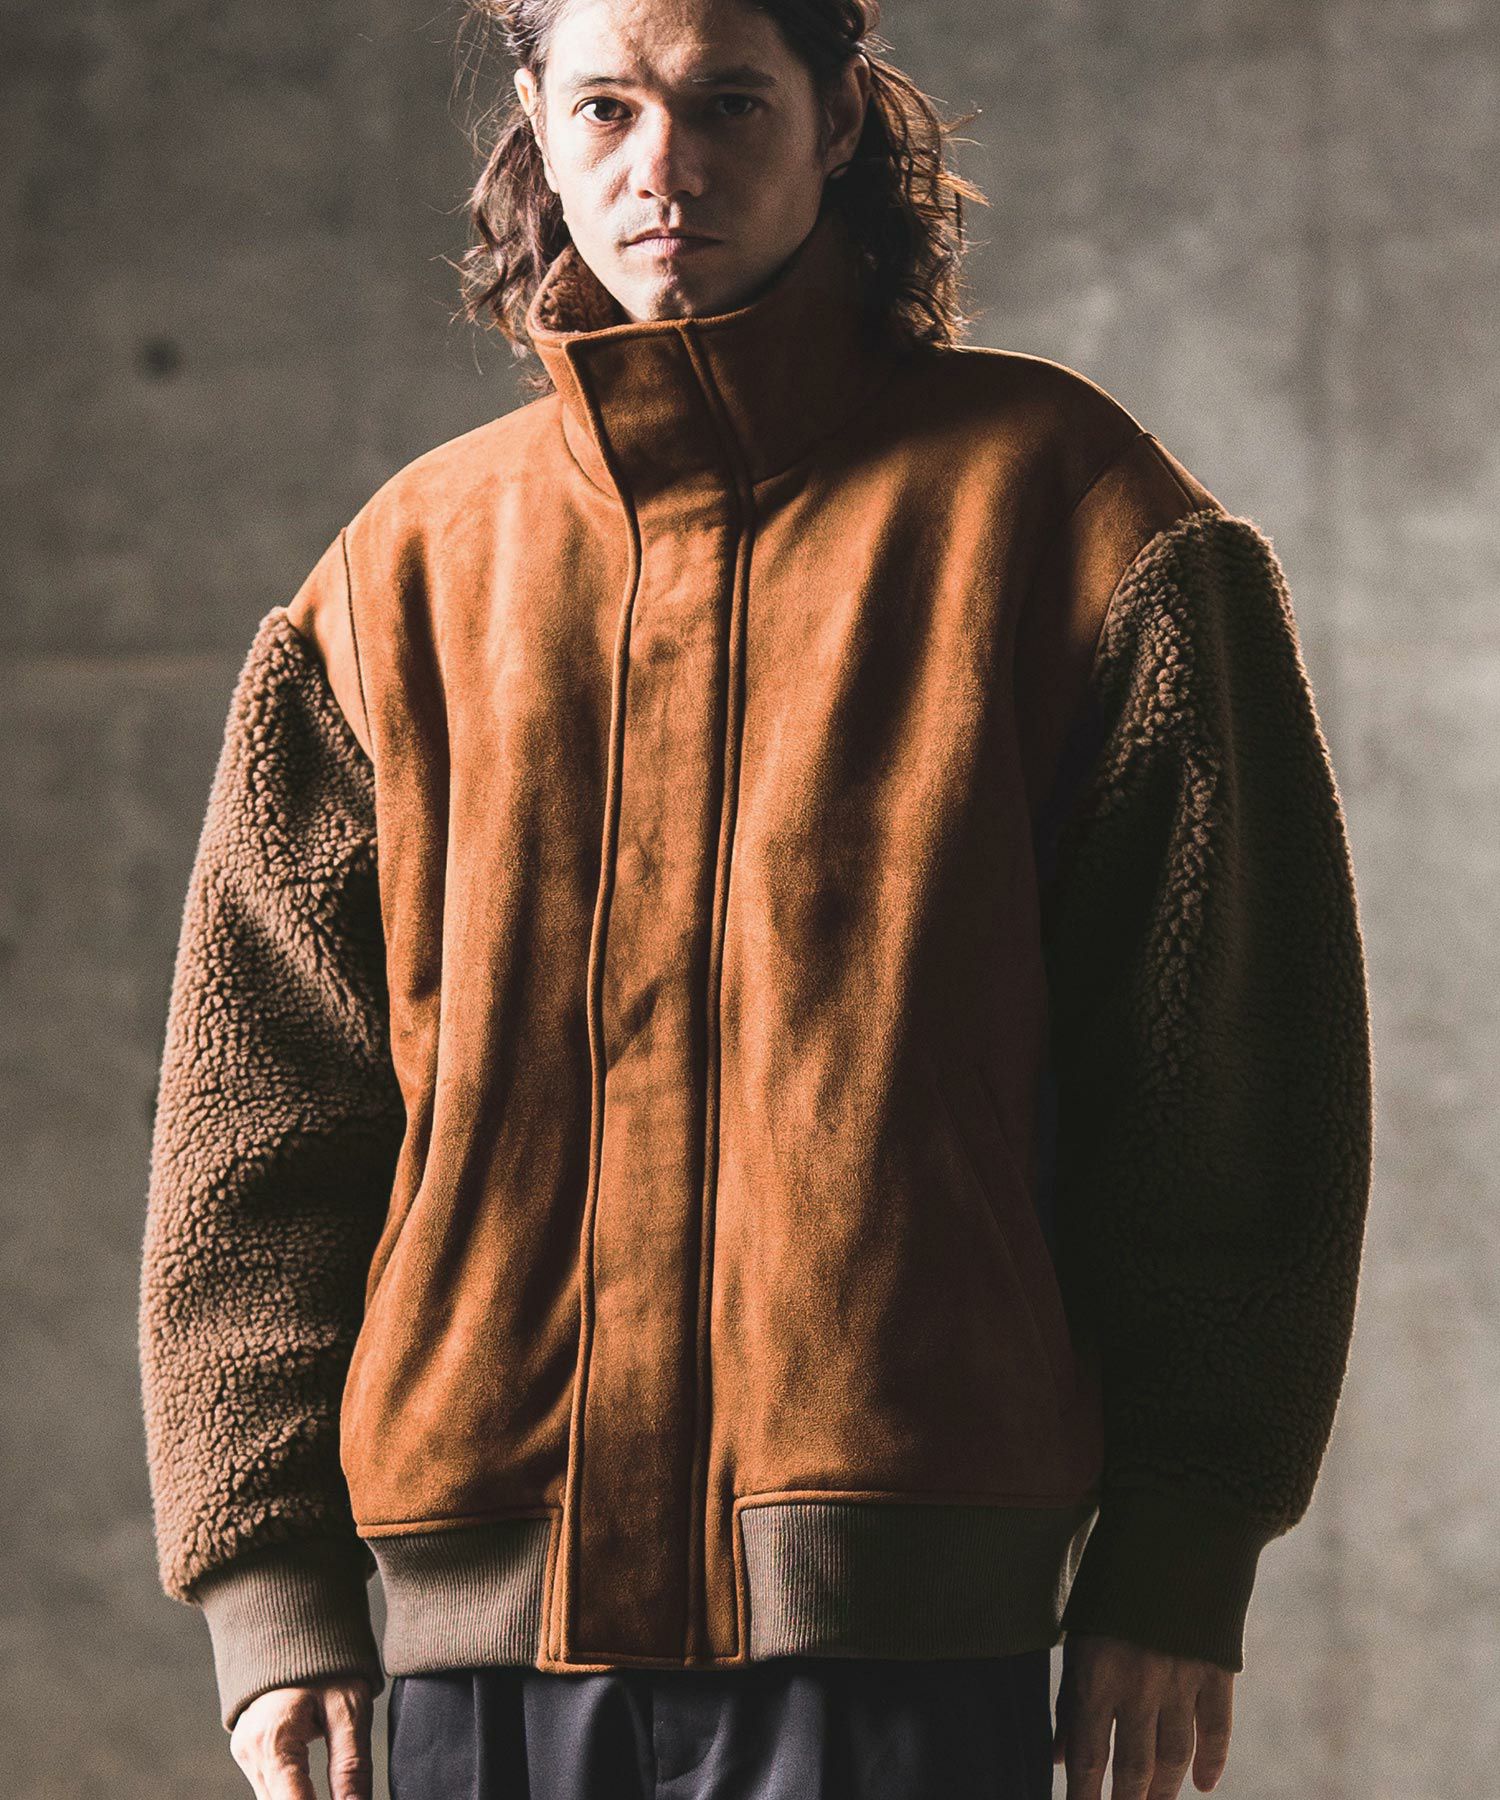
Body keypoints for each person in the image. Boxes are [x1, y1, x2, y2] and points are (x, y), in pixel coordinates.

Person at [136, 0, 1375, 1794]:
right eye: (609, 108)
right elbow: (259, 1121)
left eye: (729, 101)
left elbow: (1230, 1087)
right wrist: (270, 1587)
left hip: (904, 1629)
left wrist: (1182, 1554)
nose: (668, 167)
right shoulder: (399, 578)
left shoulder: (1078, 521)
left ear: (838, 116)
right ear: (535, 120)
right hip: (482, 1645)